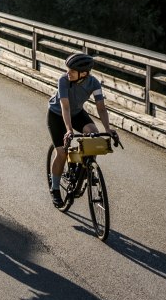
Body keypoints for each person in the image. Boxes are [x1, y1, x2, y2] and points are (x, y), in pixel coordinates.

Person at [47, 52, 119, 208]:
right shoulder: (64, 80)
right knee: (61, 152)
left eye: (72, 71)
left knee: (94, 135)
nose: (68, 73)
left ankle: (85, 167)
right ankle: (55, 188)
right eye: (68, 70)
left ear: (84, 73)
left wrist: (108, 128)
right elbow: (65, 107)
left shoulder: (94, 83)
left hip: (77, 113)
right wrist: (69, 130)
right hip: (57, 115)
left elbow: (101, 108)